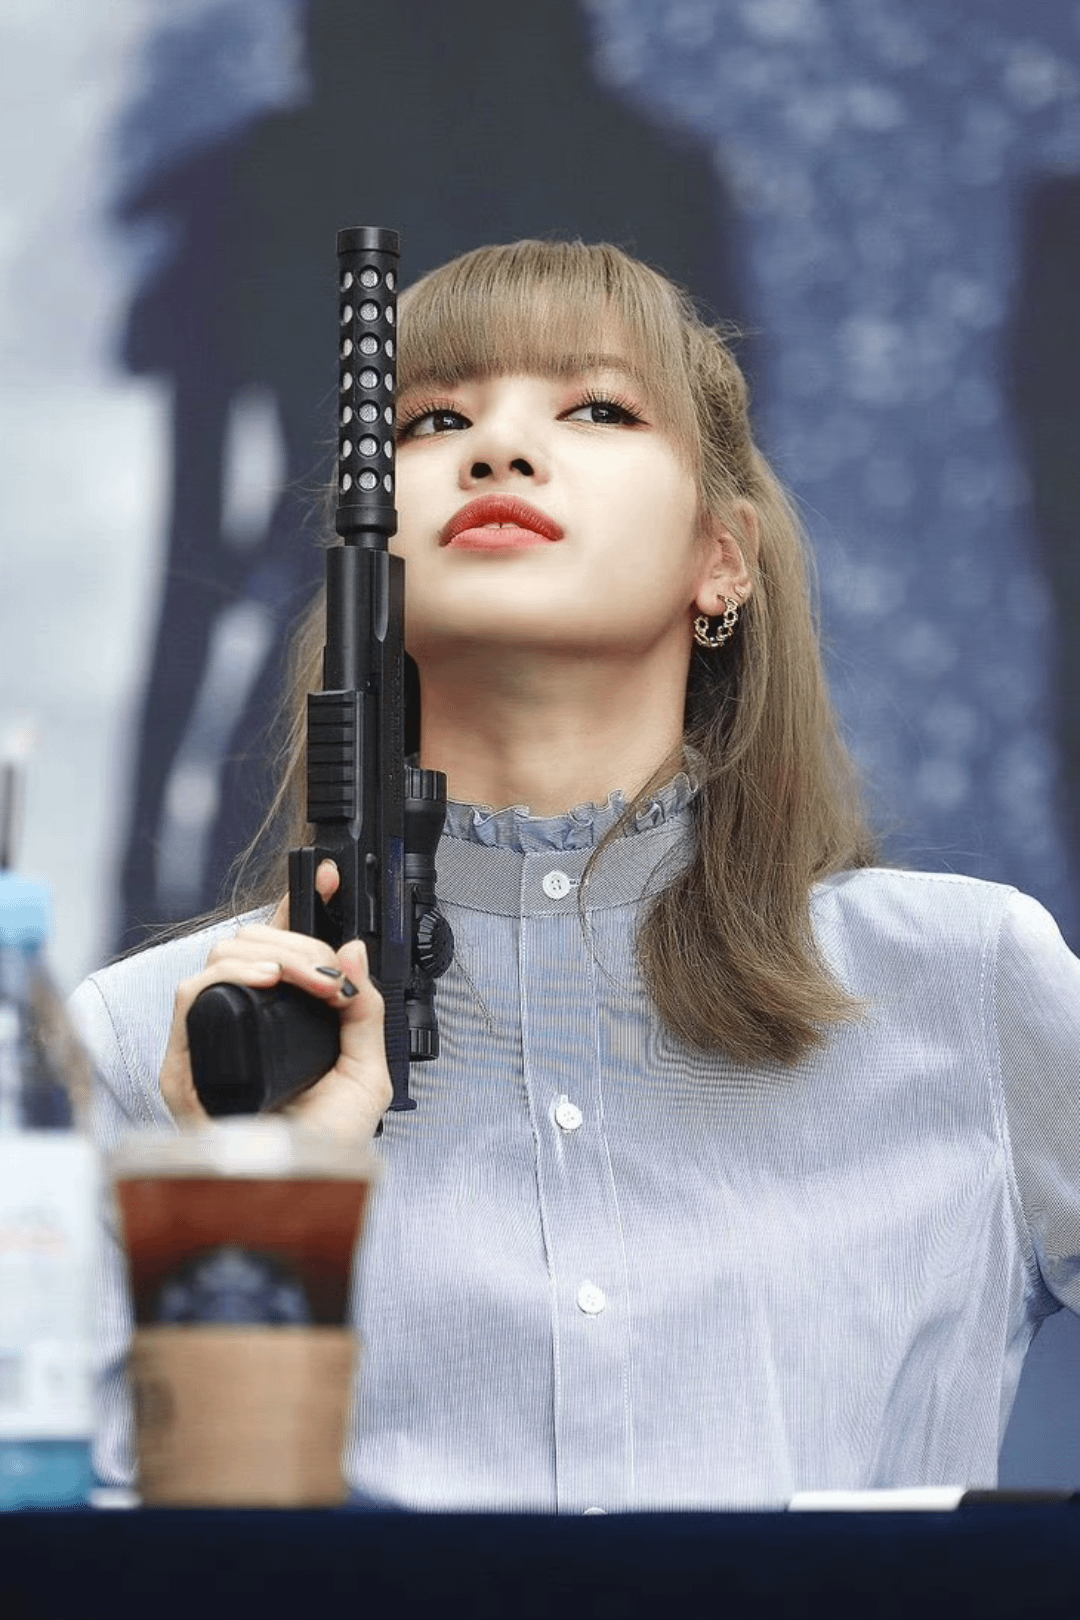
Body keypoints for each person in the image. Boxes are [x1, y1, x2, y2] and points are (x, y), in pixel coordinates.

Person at [73, 240, 1080, 1512]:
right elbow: (119, 1566)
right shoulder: (151, 1044)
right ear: (363, 558)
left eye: (598, 408)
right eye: (434, 421)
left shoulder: (963, 985)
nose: (498, 449)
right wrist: (257, 1209)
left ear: (724, 558)